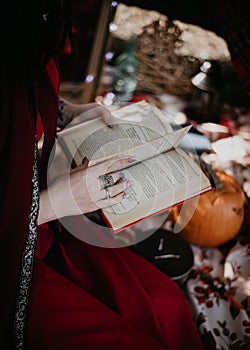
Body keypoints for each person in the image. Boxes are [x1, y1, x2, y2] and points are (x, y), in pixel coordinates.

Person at [0, 1, 205, 349]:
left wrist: (66, 110)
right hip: (13, 257)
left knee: (166, 304)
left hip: (49, 230)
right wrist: (53, 204)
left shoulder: (36, 23)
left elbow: (28, 91)